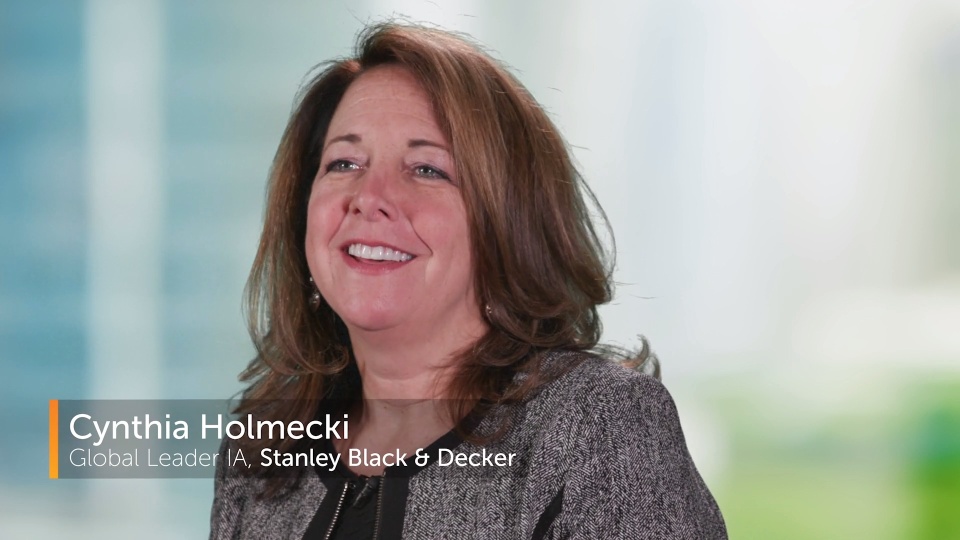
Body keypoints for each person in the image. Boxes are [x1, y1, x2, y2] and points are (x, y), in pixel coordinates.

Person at [210, 22, 727, 540]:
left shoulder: (597, 426)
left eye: (427, 169)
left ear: (508, 223)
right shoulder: (260, 453)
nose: (368, 197)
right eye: (344, 162)